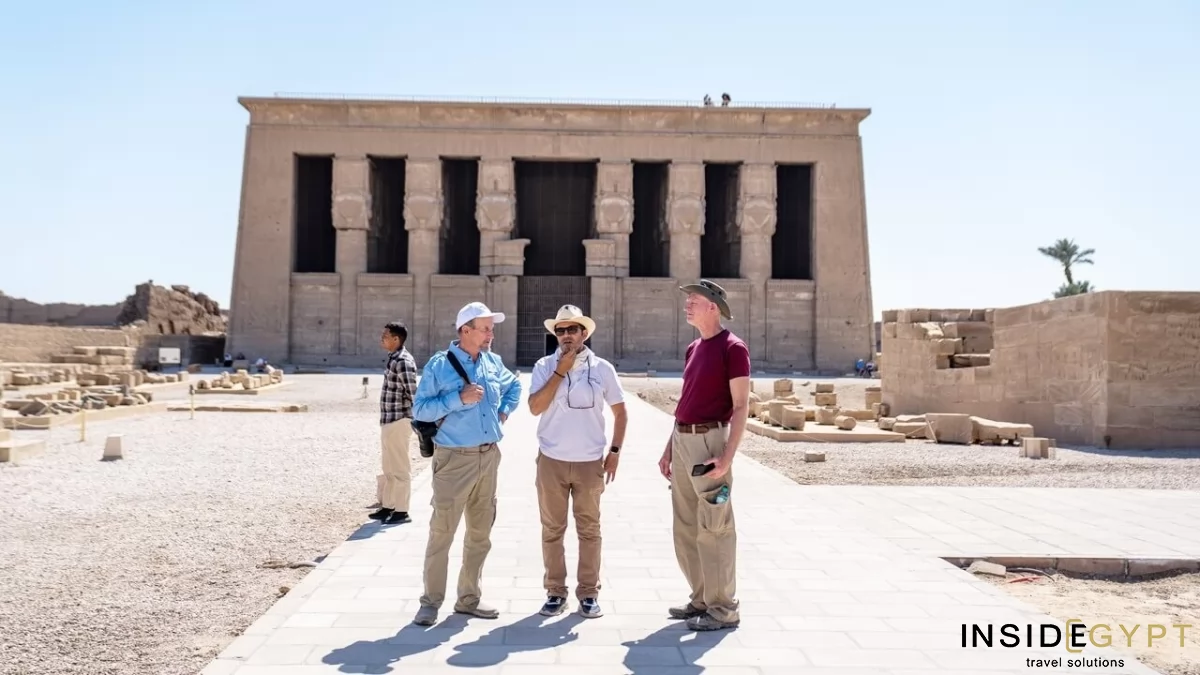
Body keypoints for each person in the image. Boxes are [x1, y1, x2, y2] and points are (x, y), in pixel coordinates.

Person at [410, 301, 522, 626]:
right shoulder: (439, 366)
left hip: (489, 457)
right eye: (485, 328)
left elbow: (513, 384)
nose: (491, 333)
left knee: (480, 533)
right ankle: (430, 602)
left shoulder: (492, 362)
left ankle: (469, 599)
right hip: (454, 460)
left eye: (491, 328)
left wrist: (504, 412)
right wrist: (458, 400)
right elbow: (420, 410)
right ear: (466, 331)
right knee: (442, 531)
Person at [658, 279, 750, 632]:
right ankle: (701, 598)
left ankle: (723, 607)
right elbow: (685, 403)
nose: (687, 305)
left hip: (710, 442)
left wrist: (727, 457)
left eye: (694, 300)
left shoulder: (733, 348)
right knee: (686, 525)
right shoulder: (694, 348)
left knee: (716, 526)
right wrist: (669, 448)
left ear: (713, 306)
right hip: (683, 442)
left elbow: (741, 405)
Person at [526, 305, 627, 619]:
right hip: (552, 460)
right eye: (560, 330)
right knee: (552, 530)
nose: (566, 335)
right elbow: (535, 407)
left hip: (589, 462)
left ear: (585, 333)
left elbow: (621, 413)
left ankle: (589, 593)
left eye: (572, 329)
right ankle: (555, 592)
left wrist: (614, 452)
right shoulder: (545, 366)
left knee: (589, 530)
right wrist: (561, 370)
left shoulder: (602, 369)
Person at [370, 321, 418, 525]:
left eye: (386, 335)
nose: (382, 338)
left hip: (399, 420)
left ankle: (402, 510)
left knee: (399, 467)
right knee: (388, 467)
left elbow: (413, 392)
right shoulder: (393, 359)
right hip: (389, 420)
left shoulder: (404, 361)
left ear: (396, 339)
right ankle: (389, 506)